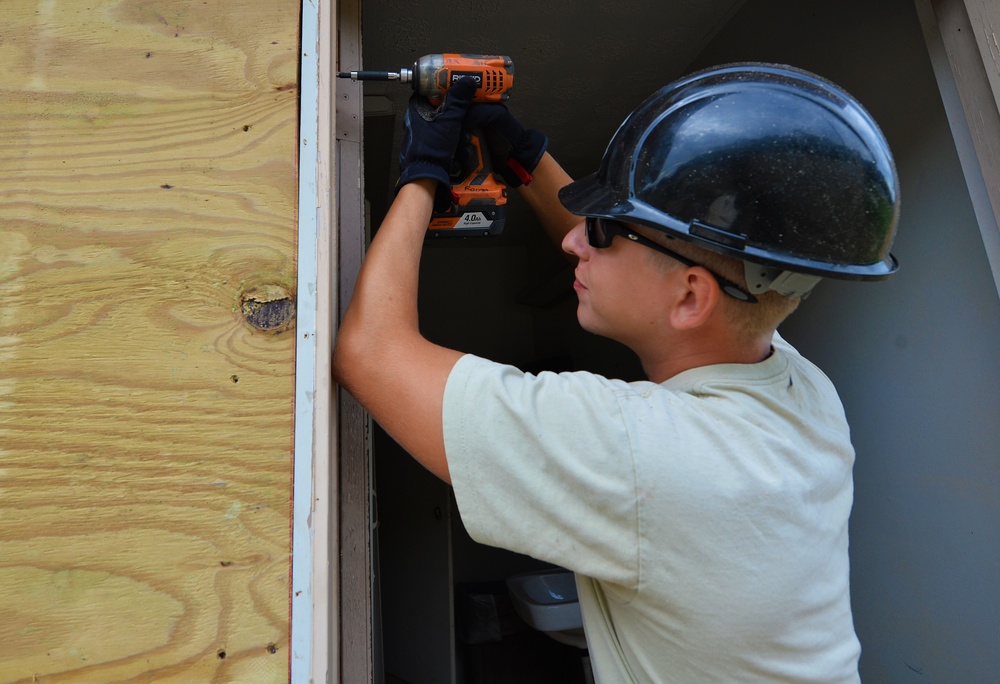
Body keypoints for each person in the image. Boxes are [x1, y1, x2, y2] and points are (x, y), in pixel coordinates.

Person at [333, 63, 900, 683]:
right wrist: (523, 159)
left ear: (690, 299)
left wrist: (423, 174)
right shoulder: (796, 384)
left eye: (604, 232)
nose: (578, 245)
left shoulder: (640, 452)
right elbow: (632, 268)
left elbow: (371, 352)